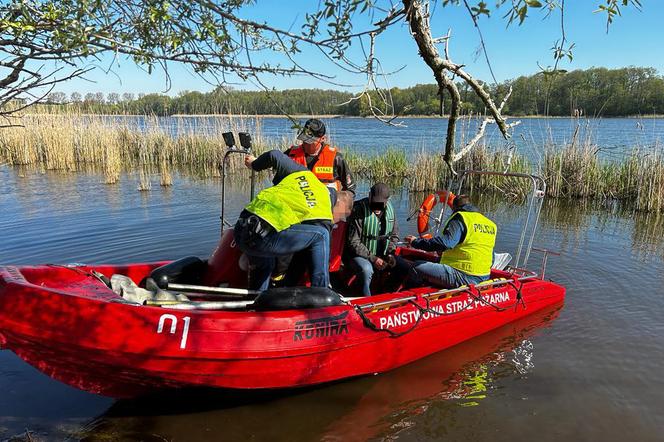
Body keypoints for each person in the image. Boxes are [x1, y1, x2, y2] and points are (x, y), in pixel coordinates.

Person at [234, 150, 340, 291]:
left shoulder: (303, 173)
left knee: (265, 265)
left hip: (241, 227)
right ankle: (322, 291)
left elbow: (274, 155)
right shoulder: (324, 208)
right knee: (322, 235)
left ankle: (255, 302)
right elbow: (319, 249)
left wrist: (255, 164)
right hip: (263, 236)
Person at [404, 193, 497, 289]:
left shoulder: (460, 217)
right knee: (434, 261)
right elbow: (491, 256)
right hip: (484, 277)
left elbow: (446, 243)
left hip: (463, 276)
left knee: (416, 267)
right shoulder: (489, 223)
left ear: (454, 207)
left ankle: (408, 297)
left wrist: (415, 242)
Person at [344, 183, 400, 296]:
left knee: (402, 266)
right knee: (366, 269)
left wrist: (390, 253)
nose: (377, 207)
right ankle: (366, 301)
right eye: (374, 203)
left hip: (382, 254)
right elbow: (353, 242)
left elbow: (394, 235)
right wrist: (373, 258)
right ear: (369, 196)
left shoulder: (390, 210)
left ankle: (388, 295)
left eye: (380, 204)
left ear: (387, 201)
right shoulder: (358, 210)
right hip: (358, 256)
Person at [285, 118, 356, 194]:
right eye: (304, 139)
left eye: (310, 141)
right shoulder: (290, 154)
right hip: (296, 202)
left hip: (327, 203)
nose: (306, 143)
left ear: (322, 139)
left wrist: (341, 202)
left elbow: (350, 188)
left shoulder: (336, 158)